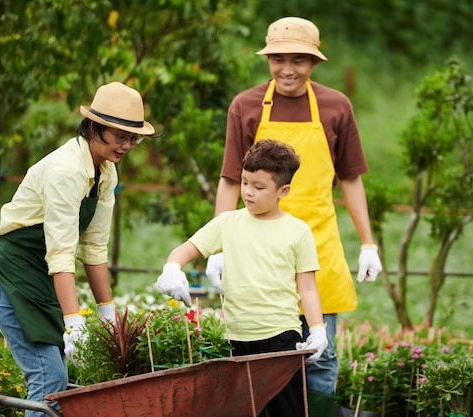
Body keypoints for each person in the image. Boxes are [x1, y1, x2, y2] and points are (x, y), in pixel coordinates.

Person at [205, 16, 383, 417]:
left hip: (317, 247)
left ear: (315, 62)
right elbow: (231, 179)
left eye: (299, 60)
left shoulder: (336, 106)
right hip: (257, 252)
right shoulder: (246, 106)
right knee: (260, 358)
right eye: (278, 58)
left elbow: (351, 179)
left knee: (320, 355)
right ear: (267, 59)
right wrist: (218, 247)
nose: (288, 68)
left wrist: (368, 243)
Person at [0, 81, 155, 416]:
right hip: (10, 277)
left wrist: (107, 314)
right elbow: (60, 254)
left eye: (134, 138)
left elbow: (94, 247)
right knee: (49, 380)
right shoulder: (66, 171)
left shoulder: (106, 172)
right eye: (121, 136)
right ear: (96, 127)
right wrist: (74, 322)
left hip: (40, 280)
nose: (128, 145)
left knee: (54, 380)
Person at [156, 139, 328, 417]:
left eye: (259, 187)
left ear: (283, 190)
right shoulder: (228, 222)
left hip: (281, 339)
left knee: (290, 412)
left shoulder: (298, 231)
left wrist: (318, 329)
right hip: (238, 339)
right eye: (245, 182)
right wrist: (172, 268)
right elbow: (185, 250)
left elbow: (307, 288)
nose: (248, 192)